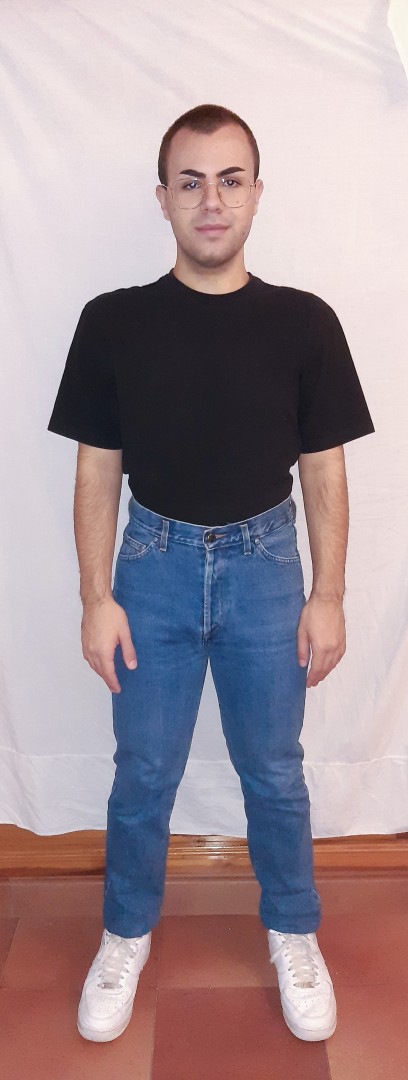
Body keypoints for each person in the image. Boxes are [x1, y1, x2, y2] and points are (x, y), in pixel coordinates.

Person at [48, 104, 374, 1046]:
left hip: (266, 571)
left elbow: (324, 471)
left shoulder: (304, 322)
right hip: (149, 567)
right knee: (143, 772)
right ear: (162, 198)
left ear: (257, 193)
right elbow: (97, 471)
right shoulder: (112, 322)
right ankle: (124, 935)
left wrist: (328, 595)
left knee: (274, 770)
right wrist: (95, 598)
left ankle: (293, 931)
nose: (211, 200)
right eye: (190, 181)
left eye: (230, 179)